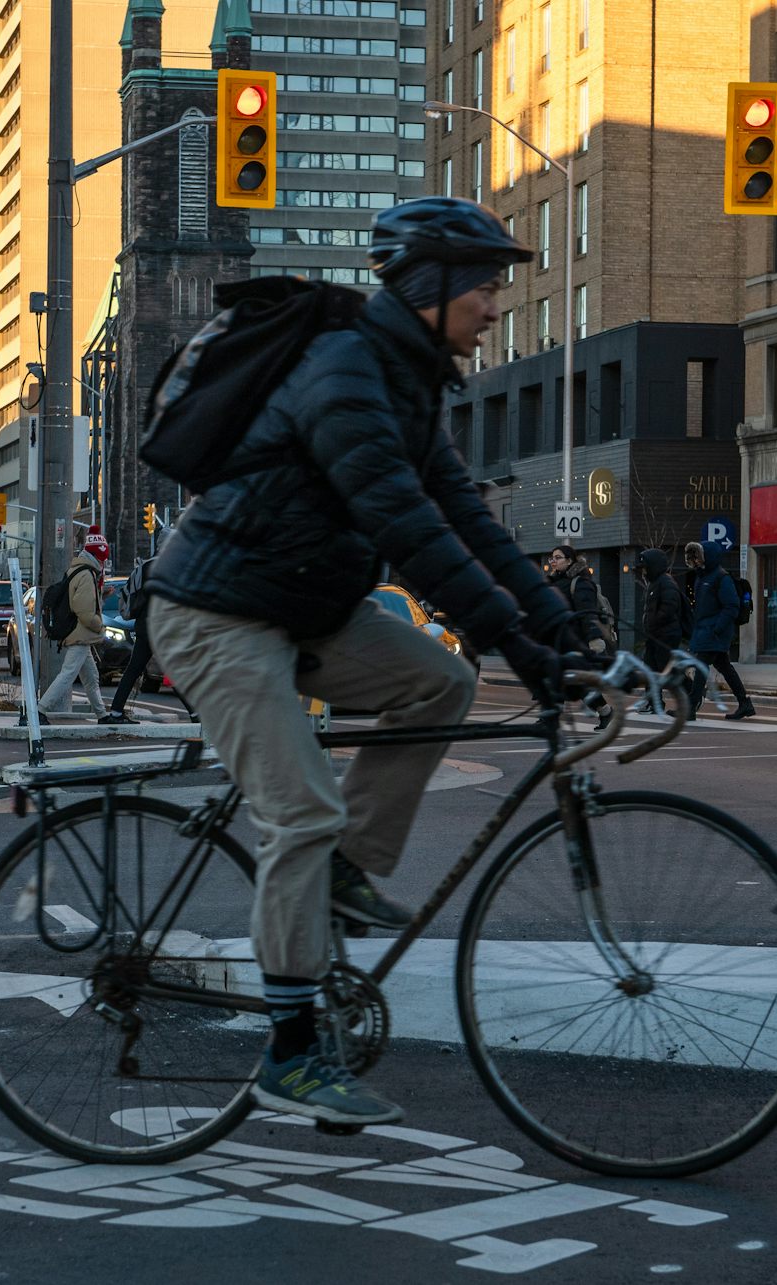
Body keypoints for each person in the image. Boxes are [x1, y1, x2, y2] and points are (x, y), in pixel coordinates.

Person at [144, 197, 577, 1127]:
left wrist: (563, 633)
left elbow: (461, 513)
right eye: (487, 286)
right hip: (217, 614)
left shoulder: (409, 378)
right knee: (299, 810)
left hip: (300, 606)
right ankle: (291, 1053)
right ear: (434, 287)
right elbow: (402, 522)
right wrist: (516, 639)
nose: (496, 305)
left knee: (441, 679)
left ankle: (344, 871)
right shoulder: (342, 369)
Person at [97, 536, 196, 726]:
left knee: (133, 670)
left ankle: (116, 711)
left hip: (144, 626)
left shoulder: (145, 567)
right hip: (164, 627)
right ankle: (195, 715)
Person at [37, 528, 108, 721]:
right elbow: (84, 611)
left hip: (79, 635)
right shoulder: (87, 574)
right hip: (80, 634)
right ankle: (40, 710)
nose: (104, 563)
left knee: (91, 678)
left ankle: (101, 714)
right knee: (67, 675)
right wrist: (100, 626)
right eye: (102, 558)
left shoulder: (77, 570)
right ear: (96, 555)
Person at [684, 540, 757, 720]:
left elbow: (731, 605)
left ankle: (690, 707)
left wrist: (717, 629)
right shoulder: (703, 577)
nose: (696, 560)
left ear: (707, 557)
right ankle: (745, 703)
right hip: (707, 631)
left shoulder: (720, 578)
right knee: (725, 667)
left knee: (701, 667)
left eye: (698, 556)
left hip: (714, 632)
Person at [547, 545, 612, 729]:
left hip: (575, 641)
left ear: (569, 560)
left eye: (558, 557)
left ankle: (605, 711)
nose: (553, 561)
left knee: (579, 683)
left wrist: (594, 640)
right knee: (556, 679)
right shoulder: (553, 582)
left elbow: (587, 614)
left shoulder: (580, 583)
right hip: (558, 640)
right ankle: (551, 718)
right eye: (552, 558)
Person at [634, 548, 689, 715]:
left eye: (645, 567)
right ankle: (653, 702)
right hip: (655, 634)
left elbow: (669, 607)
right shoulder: (655, 583)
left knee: (666, 669)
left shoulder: (666, 583)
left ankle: (691, 692)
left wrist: (654, 623)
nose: (643, 571)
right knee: (650, 668)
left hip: (666, 635)